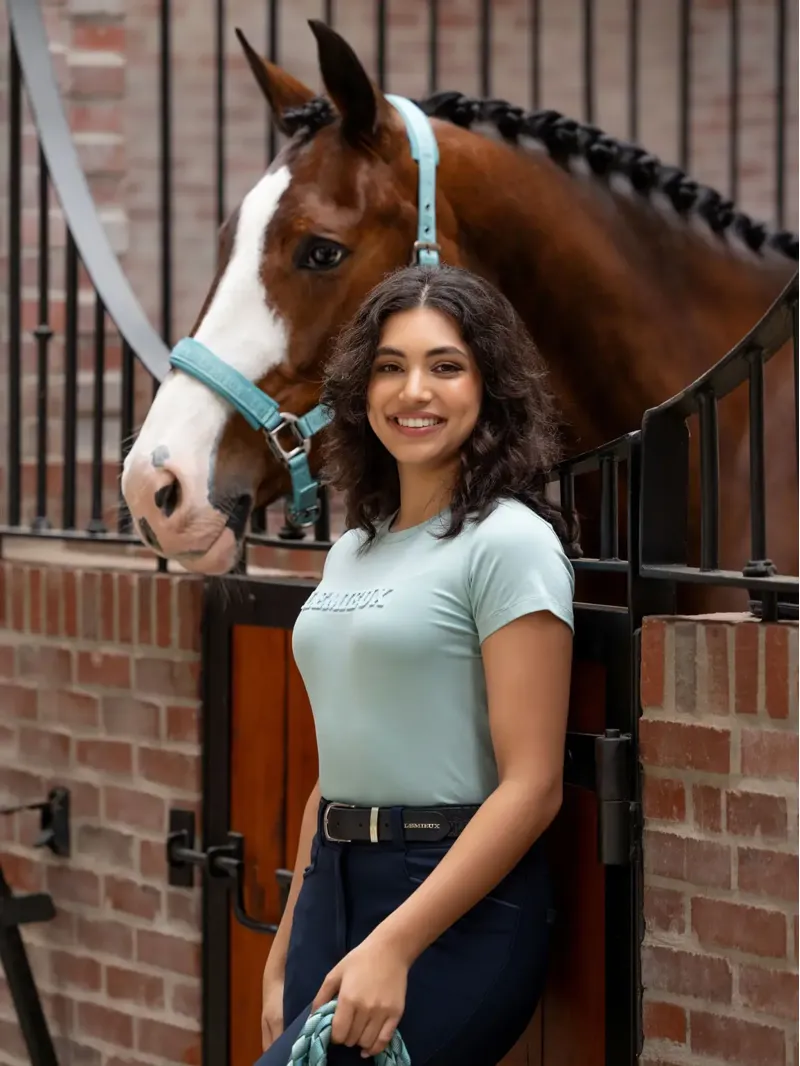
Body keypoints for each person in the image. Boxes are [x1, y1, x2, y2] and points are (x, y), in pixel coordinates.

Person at [256, 264, 576, 1066]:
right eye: (390, 366)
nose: (414, 391)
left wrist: (395, 945)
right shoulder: (351, 551)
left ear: (488, 385)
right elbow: (338, 768)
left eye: (445, 365)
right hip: (333, 885)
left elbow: (533, 786)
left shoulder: (511, 544)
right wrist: (288, 935)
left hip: (453, 903)